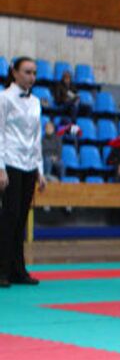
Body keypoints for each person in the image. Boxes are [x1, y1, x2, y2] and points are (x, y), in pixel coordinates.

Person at [0, 56, 46, 287]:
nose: (31, 77)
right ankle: (2, 270)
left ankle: (18, 269)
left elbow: (37, 137)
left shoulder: (36, 101)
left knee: (21, 219)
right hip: (10, 162)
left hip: (29, 164)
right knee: (8, 217)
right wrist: (0, 168)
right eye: (27, 72)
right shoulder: (4, 98)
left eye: (34, 73)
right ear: (14, 73)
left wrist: (40, 169)